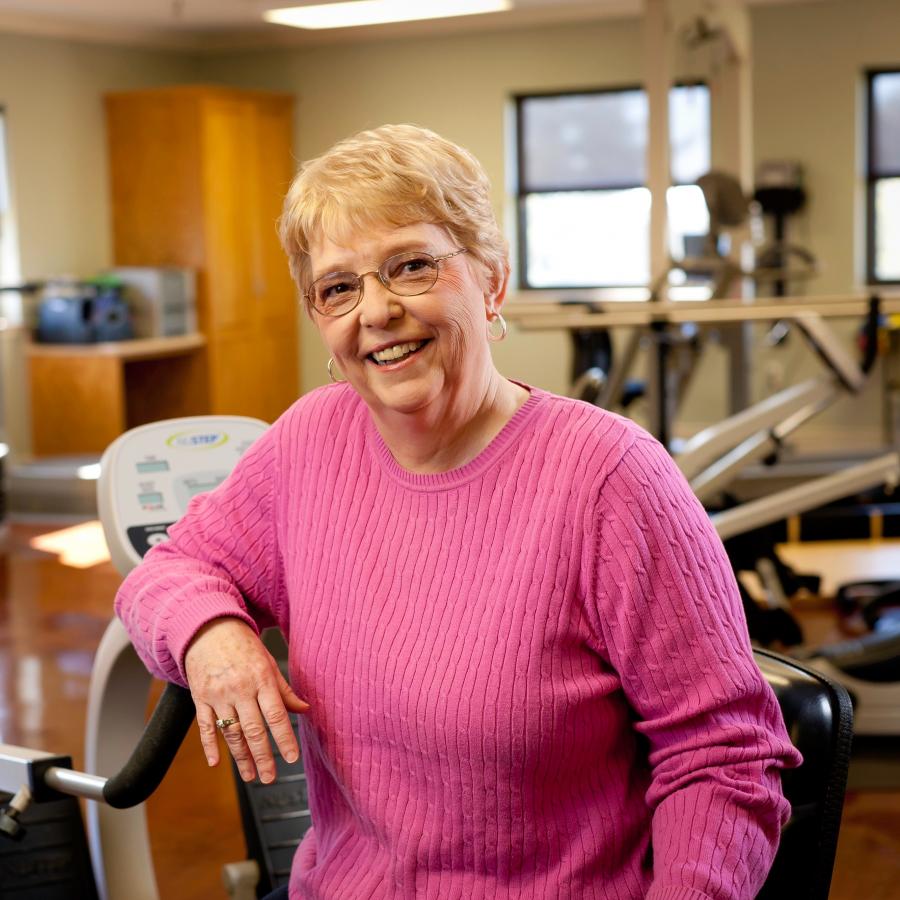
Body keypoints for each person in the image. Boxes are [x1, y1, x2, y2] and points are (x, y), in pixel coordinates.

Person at [115, 123, 801, 900]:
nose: (375, 311)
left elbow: (723, 760)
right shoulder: (308, 441)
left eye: (411, 267)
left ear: (492, 280)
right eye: (339, 288)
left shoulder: (610, 479)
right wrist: (211, 634)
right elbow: (167, 571)